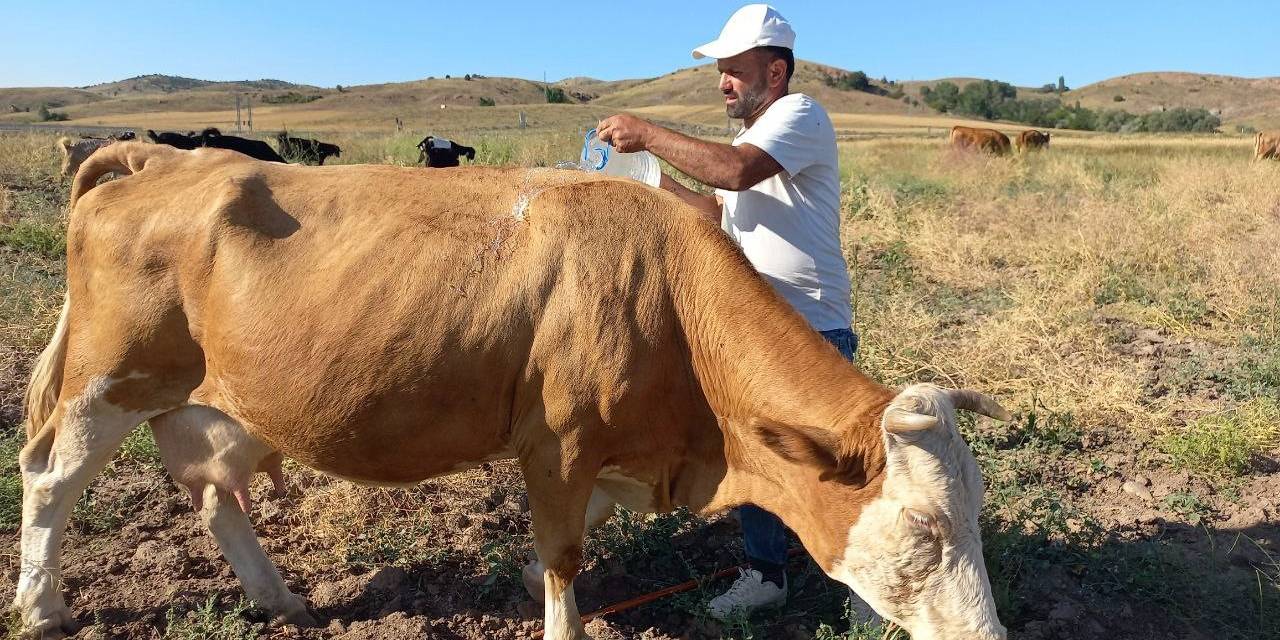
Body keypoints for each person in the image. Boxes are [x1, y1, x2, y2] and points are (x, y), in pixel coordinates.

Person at [595, 3, 856, 621]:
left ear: (775, 70)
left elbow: (735, 175)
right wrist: (647, 180)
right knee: (757, 458)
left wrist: (649, 132)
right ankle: (766, 575)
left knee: (830, 464)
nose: (724, 82)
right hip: (757, 332)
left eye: (734, 69)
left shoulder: (799, 115)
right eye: (722, 72)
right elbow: (716, 213)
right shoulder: (747, 139)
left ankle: (864, 584)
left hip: (811, 326)